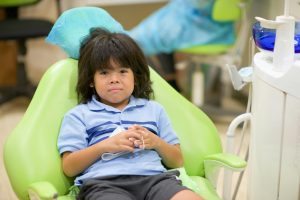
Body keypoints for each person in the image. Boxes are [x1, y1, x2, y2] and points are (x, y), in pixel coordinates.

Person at [57, 28, 203, 200]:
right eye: (104, 72)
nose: (114, 79)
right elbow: (69, 167)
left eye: (123, 71)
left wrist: (155, 142)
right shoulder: (79, 115)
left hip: (155, 180)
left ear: (135, 76)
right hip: (104, 184)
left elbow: (177, 160)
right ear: (91, 80)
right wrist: (105, 146)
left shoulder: (154, 110)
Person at [129, 0, 235, 91]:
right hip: (218, 31)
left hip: (195, 26)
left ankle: (166, 88)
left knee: (135, 42)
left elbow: (200, 4)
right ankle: (171, 84)